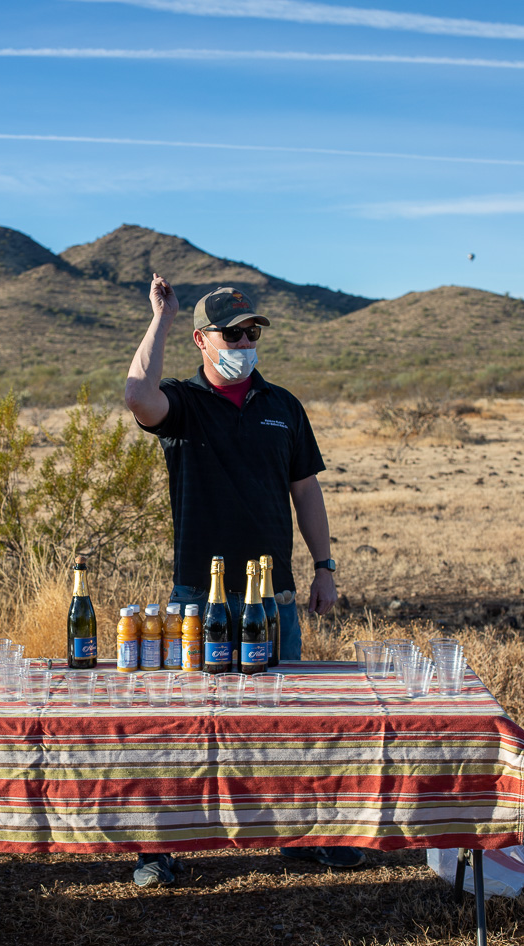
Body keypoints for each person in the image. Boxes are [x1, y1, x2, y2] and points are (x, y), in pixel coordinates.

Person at [125, 276, 363, 886]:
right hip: (197, 601)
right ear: (203, 341)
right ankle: (160, 844)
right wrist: (163, 318)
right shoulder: (181, 403)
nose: (247, 342)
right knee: (186, 723)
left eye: (253, 332)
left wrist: (324, 567)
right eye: (234, 334)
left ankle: (297, 835)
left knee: (282, 722)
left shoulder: (283, 406)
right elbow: (136, 396)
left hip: (273, 597)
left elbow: (305, 489)